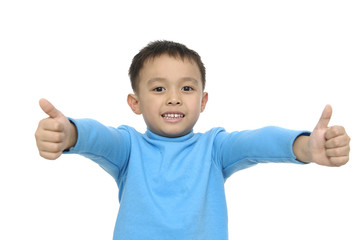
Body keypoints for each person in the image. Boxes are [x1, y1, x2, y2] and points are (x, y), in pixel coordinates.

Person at [35, 40, 351, 240]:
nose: (174, 99)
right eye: (159, 89)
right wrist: (69, 133)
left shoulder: (214, 148)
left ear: (202, 101)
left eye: (186, 88)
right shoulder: (129, 147)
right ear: (135, 103)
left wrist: (305, 146)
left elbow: (256, 142)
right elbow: (99, 138)